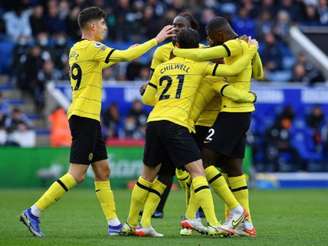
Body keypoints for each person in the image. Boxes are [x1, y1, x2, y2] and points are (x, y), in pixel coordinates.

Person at [19, 6, 174, 237]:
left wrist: (126, 52)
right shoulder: (92, 47)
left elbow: (106, 61)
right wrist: (156, 40)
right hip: (84, 117)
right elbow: (124, 57)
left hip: (87, 116)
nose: (106, 27)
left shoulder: (77, 49)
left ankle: (113, 224)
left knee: (103, 170)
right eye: (103, 24)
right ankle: (34, 212)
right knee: (77, 174)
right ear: (92, 27)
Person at [122, 28, 258, 237]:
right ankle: (213, 223)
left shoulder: (162, 67)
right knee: (198, 171)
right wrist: (251, 51)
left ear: (175, 46)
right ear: (197, 46)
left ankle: (133, 223)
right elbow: (232, 71)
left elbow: (147, 100)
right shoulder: (200, 65)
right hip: (178, 124)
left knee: (147, 176)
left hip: (154, 122)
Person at [173, 16, 263, 237]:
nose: (210, 42)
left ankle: (231, 213)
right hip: (240, 115)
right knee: (233, 169)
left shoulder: (232, 45)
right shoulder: (244, 45)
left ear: (220, 35)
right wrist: (253, 50)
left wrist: (177, 52)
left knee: (202, 162)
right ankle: (246, 224)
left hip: (232, 115)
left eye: (211, 38)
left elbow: (203, 54)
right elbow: (259, 72)